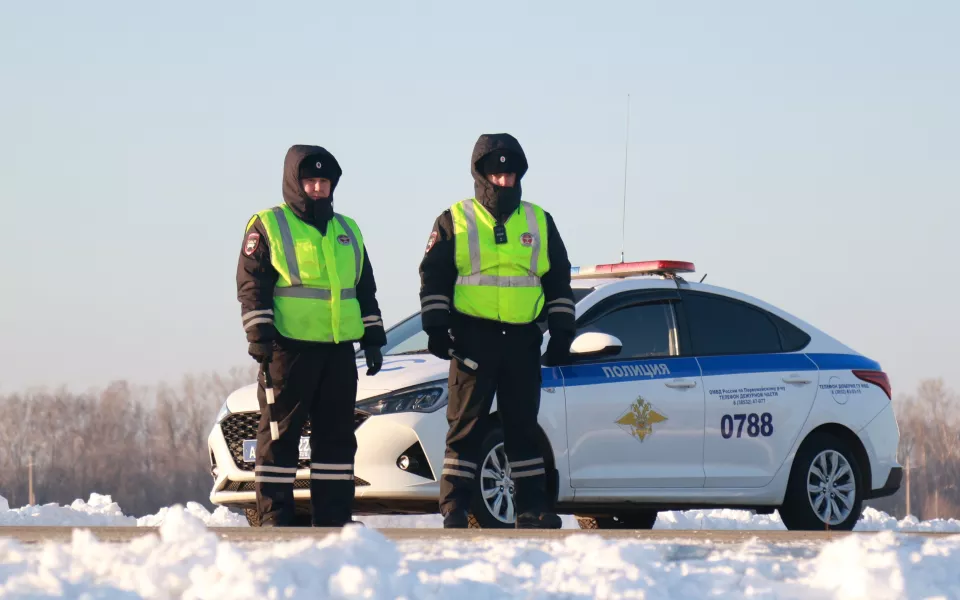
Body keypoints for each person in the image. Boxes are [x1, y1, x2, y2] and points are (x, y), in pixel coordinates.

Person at [418, 133, 577, 529]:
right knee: (466, 426)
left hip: (523, 340)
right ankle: (453, 507)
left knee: (523, 427)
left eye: (511, 174)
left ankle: (532, 508)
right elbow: (434, 275)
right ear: (481, 175)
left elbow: (558, 279)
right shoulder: (454, 218)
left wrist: (561, 331)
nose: (504, 181)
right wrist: (436, 326)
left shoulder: (539, 220)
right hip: (473, 339)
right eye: (497, 174)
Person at [236, 144, 386, 527]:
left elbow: (363, 288)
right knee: (280, 436)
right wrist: (259, 333)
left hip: (338, 352)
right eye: (310, 182)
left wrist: (373, 337)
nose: (318, 188)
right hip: (288, 350)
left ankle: (334, 520)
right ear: (294, 183)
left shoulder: (348, 229)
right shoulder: (268, 225)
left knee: (336, 440)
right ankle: (275, 519)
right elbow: (252, 283)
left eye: (324, 182)